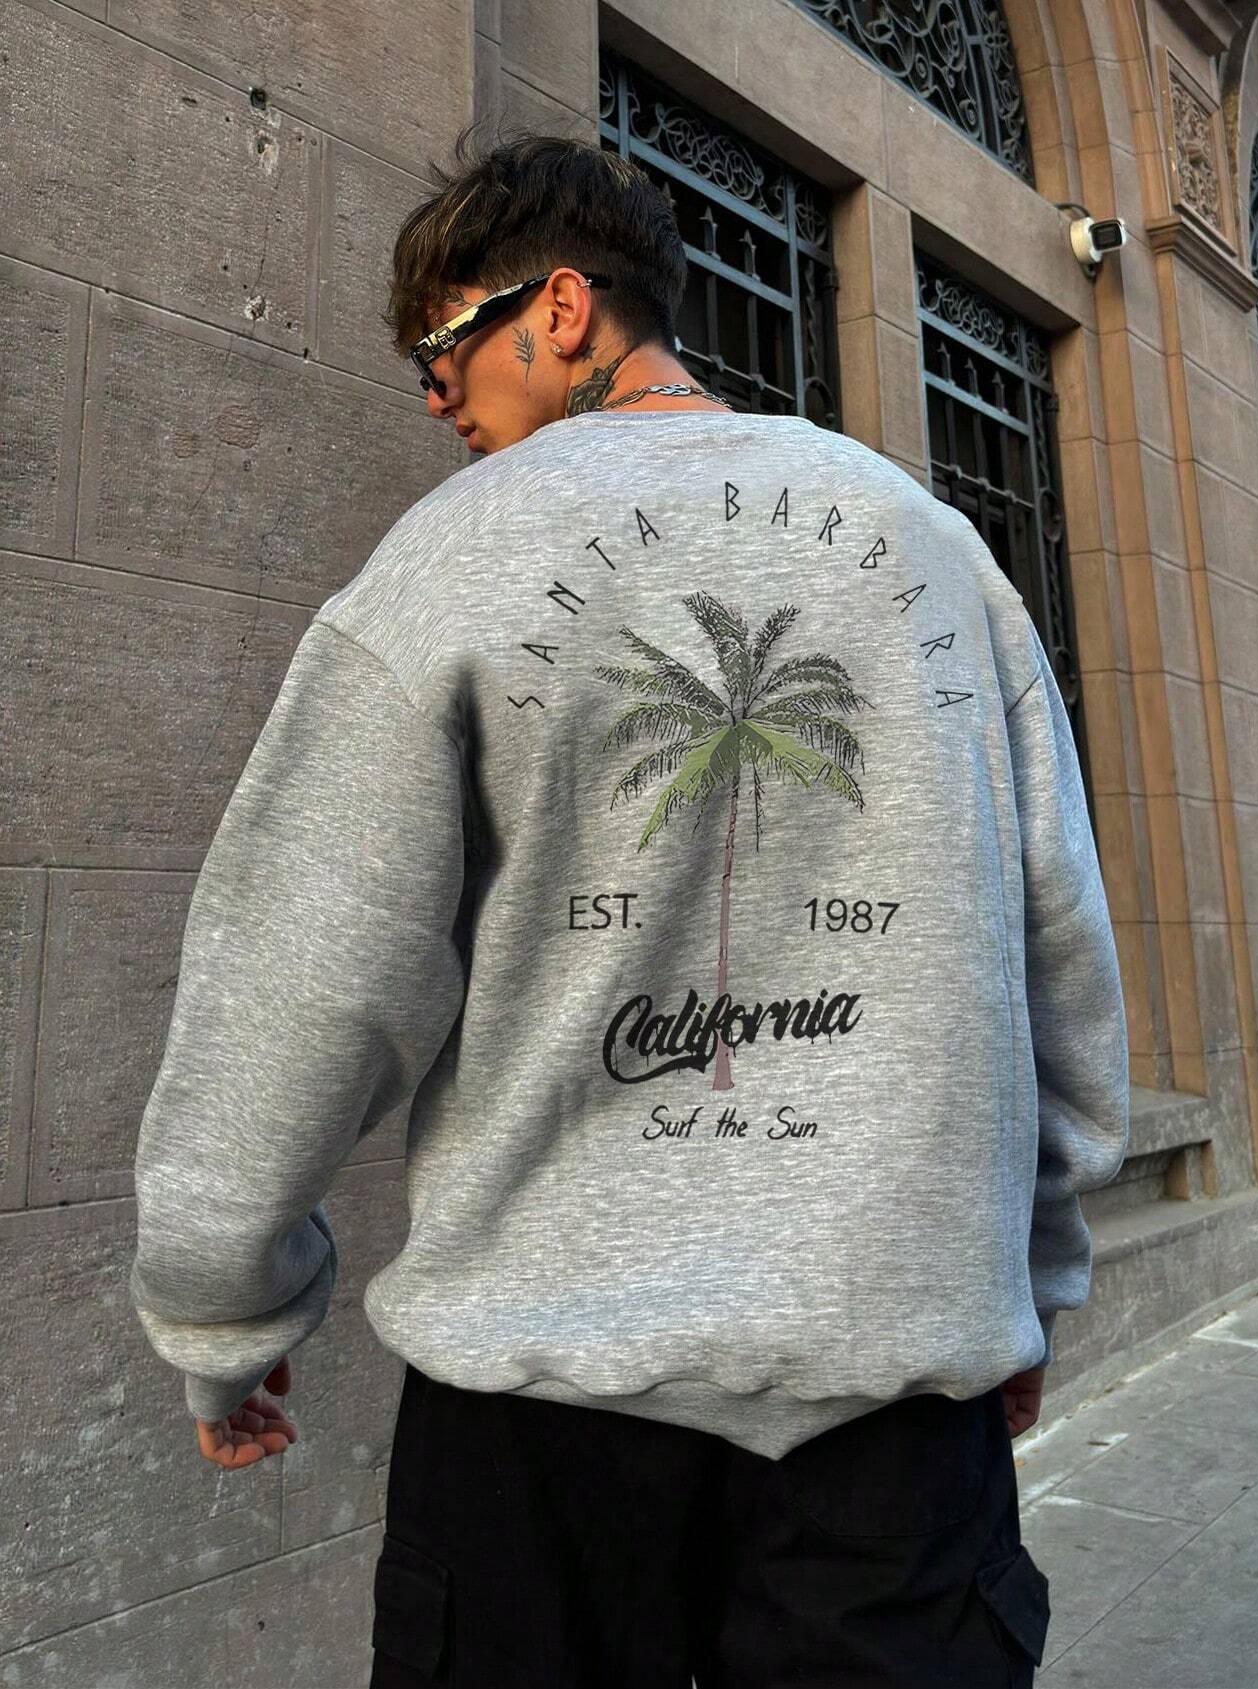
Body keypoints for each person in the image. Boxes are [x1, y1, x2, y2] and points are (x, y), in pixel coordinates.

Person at [128, 126, 1130, 1686]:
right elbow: (1060, 957)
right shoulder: (936, 552)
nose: (436, 400)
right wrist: (1028, 1278)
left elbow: (303, 973)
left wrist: (221, 1306)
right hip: (888, 1412)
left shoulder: (446, 562)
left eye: (446, 351)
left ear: (563, 307)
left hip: (543, 1437)